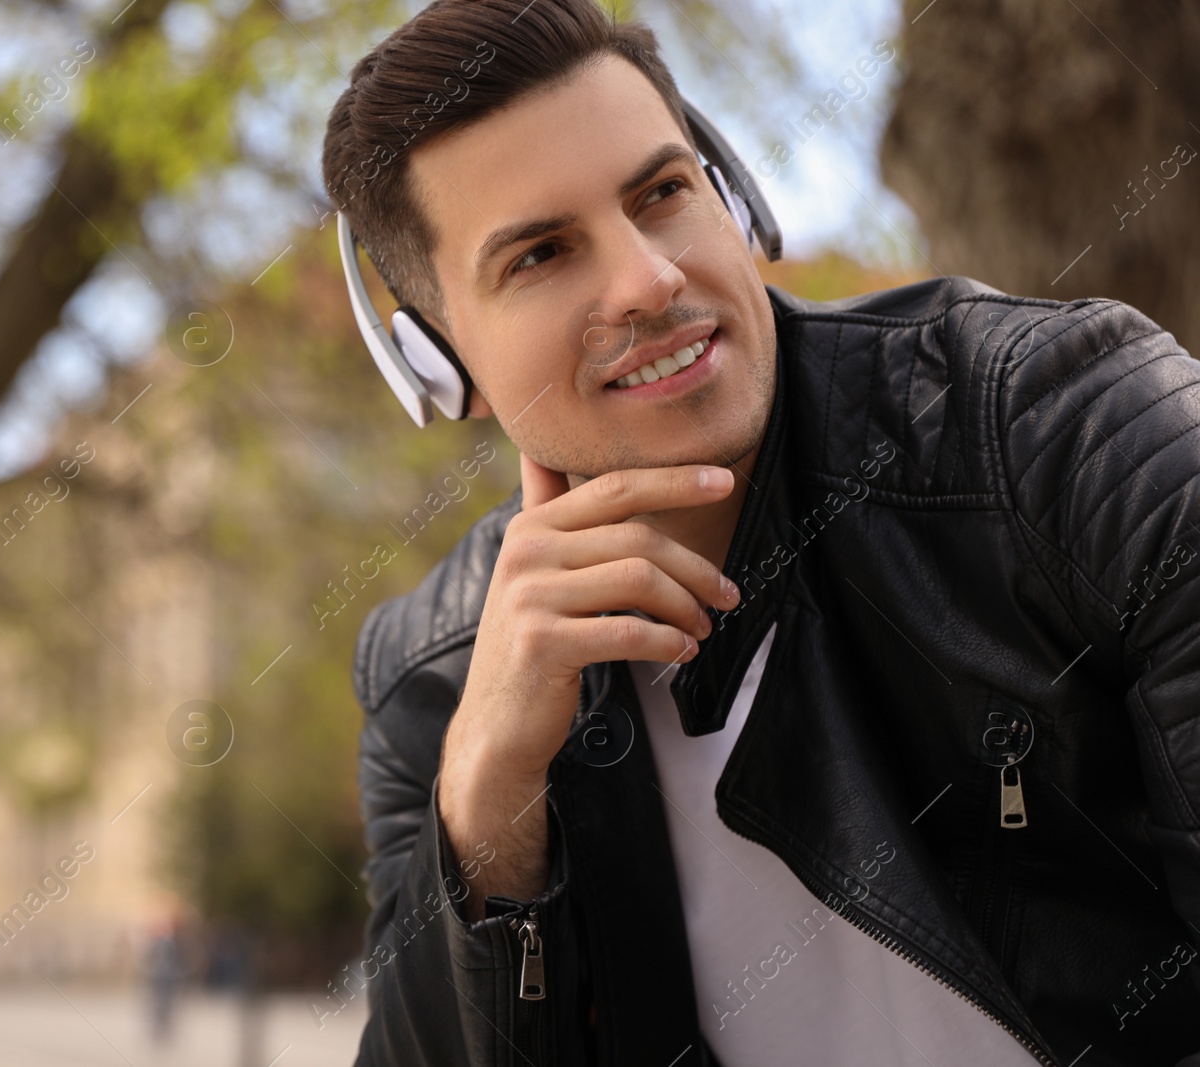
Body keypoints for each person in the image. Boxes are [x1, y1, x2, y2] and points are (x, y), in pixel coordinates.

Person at [319, 0, 1200, 1064]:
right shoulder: (436, 674)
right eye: (542, 254)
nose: (648, 279)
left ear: (731, 197)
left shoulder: (1058, 430)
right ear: (436, 364)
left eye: (661, 192)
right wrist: (484, 809)